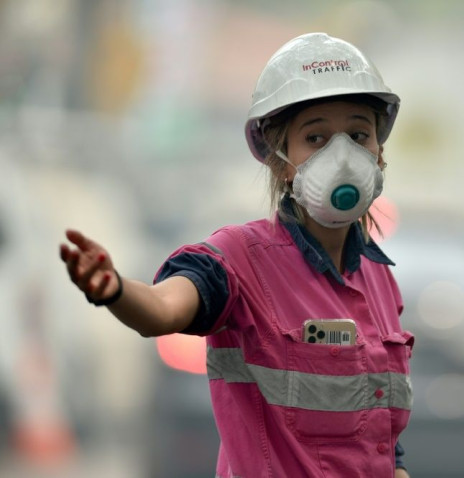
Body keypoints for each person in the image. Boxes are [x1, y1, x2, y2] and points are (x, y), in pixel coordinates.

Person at [59, 32, 413, 478]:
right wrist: (115, 291)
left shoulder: (379, 281)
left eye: (359, 134)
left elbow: (381, 444)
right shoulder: (240, 260)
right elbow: (164, 309)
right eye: (316, 137)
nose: (342, 156)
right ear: (281, 159)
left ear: (379, 151)